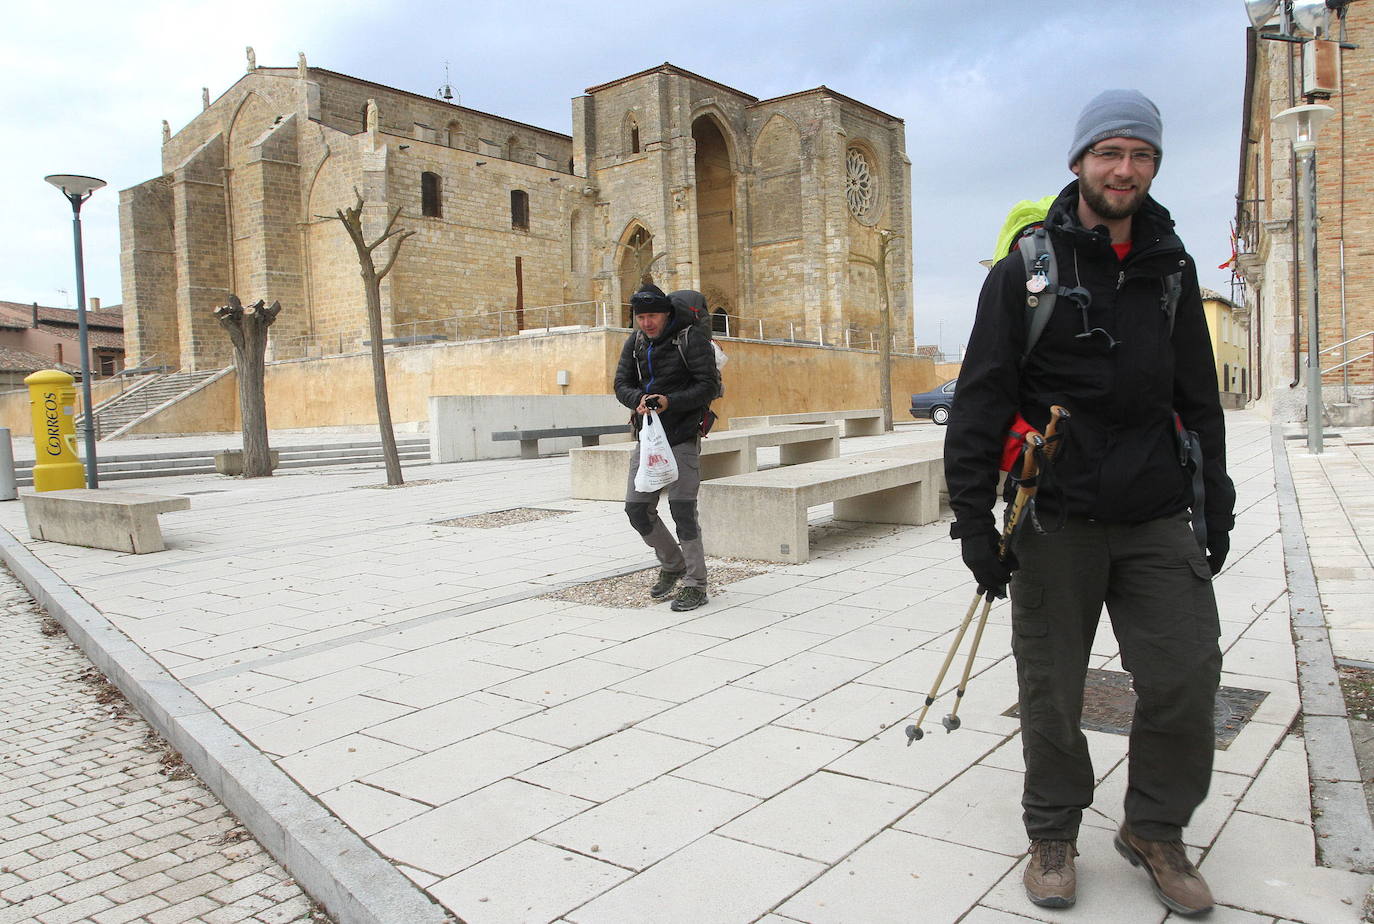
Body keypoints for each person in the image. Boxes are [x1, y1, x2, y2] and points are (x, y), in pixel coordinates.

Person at [943, 89, 1235, 917]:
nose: (1125, 169)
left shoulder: (1171, 269)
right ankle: (1053, 831)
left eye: (1141, 156)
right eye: (1110, 153)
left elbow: (1199, 399)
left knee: (1185, 676)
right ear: (1078, 163)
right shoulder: (1026, 270)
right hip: (1055, 516)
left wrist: (1216, 500)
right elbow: (980, 400)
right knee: (1051, 687)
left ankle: (1154, 828)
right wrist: (973, 521)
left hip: (1151, 514)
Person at [614, 283, 719, 612]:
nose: (646, 323)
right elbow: (621, 384)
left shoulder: (690, 339)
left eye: (652, 316)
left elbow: (709, 387)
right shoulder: (636, 342)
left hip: (683, 434)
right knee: (636, 509)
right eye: (641, 317)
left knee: (682, 509)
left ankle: (696, 583)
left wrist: (669, 401)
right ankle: (673, 564)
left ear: (666, 313)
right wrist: (638, 400)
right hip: (648, 437)